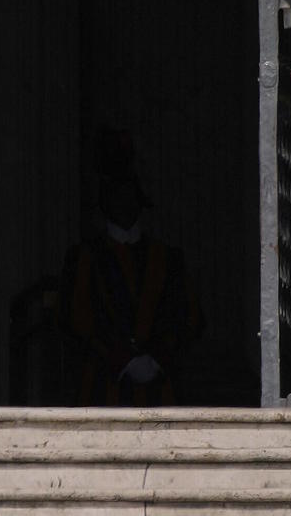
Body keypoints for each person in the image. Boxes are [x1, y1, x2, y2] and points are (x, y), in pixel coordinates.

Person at [64, 165, 202, 405]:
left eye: (130, 197)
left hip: (160, 389)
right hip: (102, 388)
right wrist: (122, 360)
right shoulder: (84, 257)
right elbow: (75, 318)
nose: (124, 205)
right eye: (117, 197)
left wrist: (157, 358)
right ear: (104, 204)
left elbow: (189, 317)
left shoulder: (168, 258)